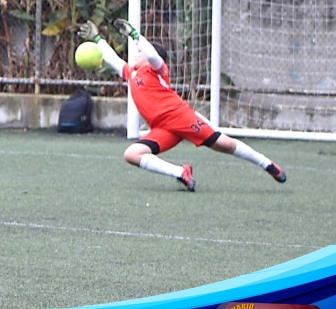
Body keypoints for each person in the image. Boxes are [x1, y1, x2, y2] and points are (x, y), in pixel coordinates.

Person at [77, 19, 286, 191]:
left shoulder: (157, 70)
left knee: (225, 145)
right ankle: (181, 173)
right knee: (131, 154)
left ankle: (267, 164)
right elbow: (112, 58)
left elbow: (151, 55)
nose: (135, 55)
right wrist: (97, 39)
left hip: (181, 117)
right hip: (161, 129)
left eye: (138, 53)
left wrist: (135, 35)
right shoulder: (131, 73)